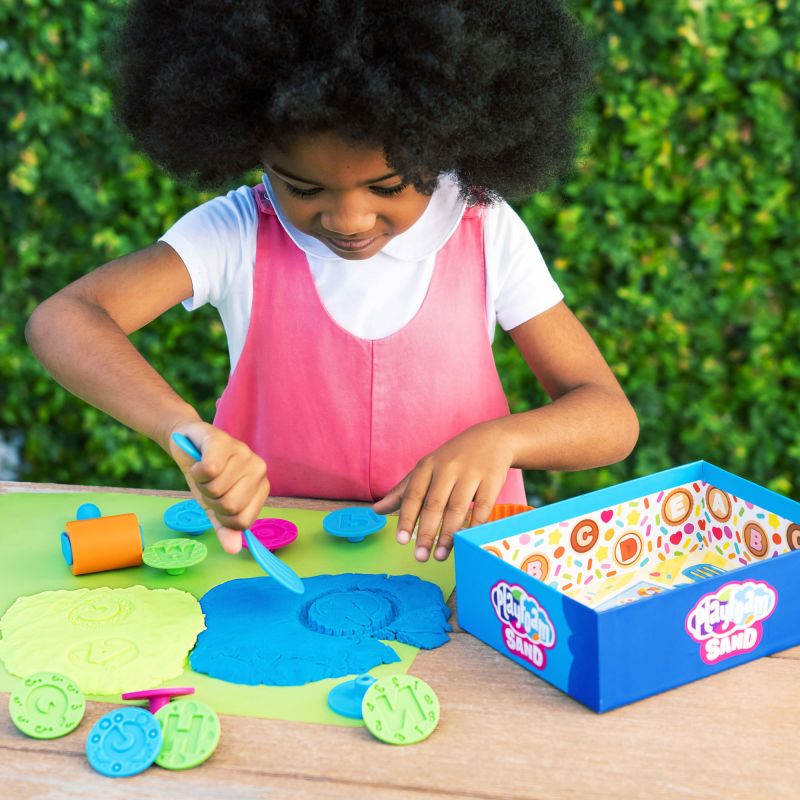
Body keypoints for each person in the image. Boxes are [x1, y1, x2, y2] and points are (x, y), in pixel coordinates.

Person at [26, 0, 638, 563]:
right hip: (281, 563)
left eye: (388, 186)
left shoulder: (486, 230)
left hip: (462, 560)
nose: (349, 220)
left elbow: (611, 419)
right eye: (303, 188)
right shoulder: (238, 231)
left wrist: (503, 440)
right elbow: (65, 319)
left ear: (448, 141)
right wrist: (179, 427)